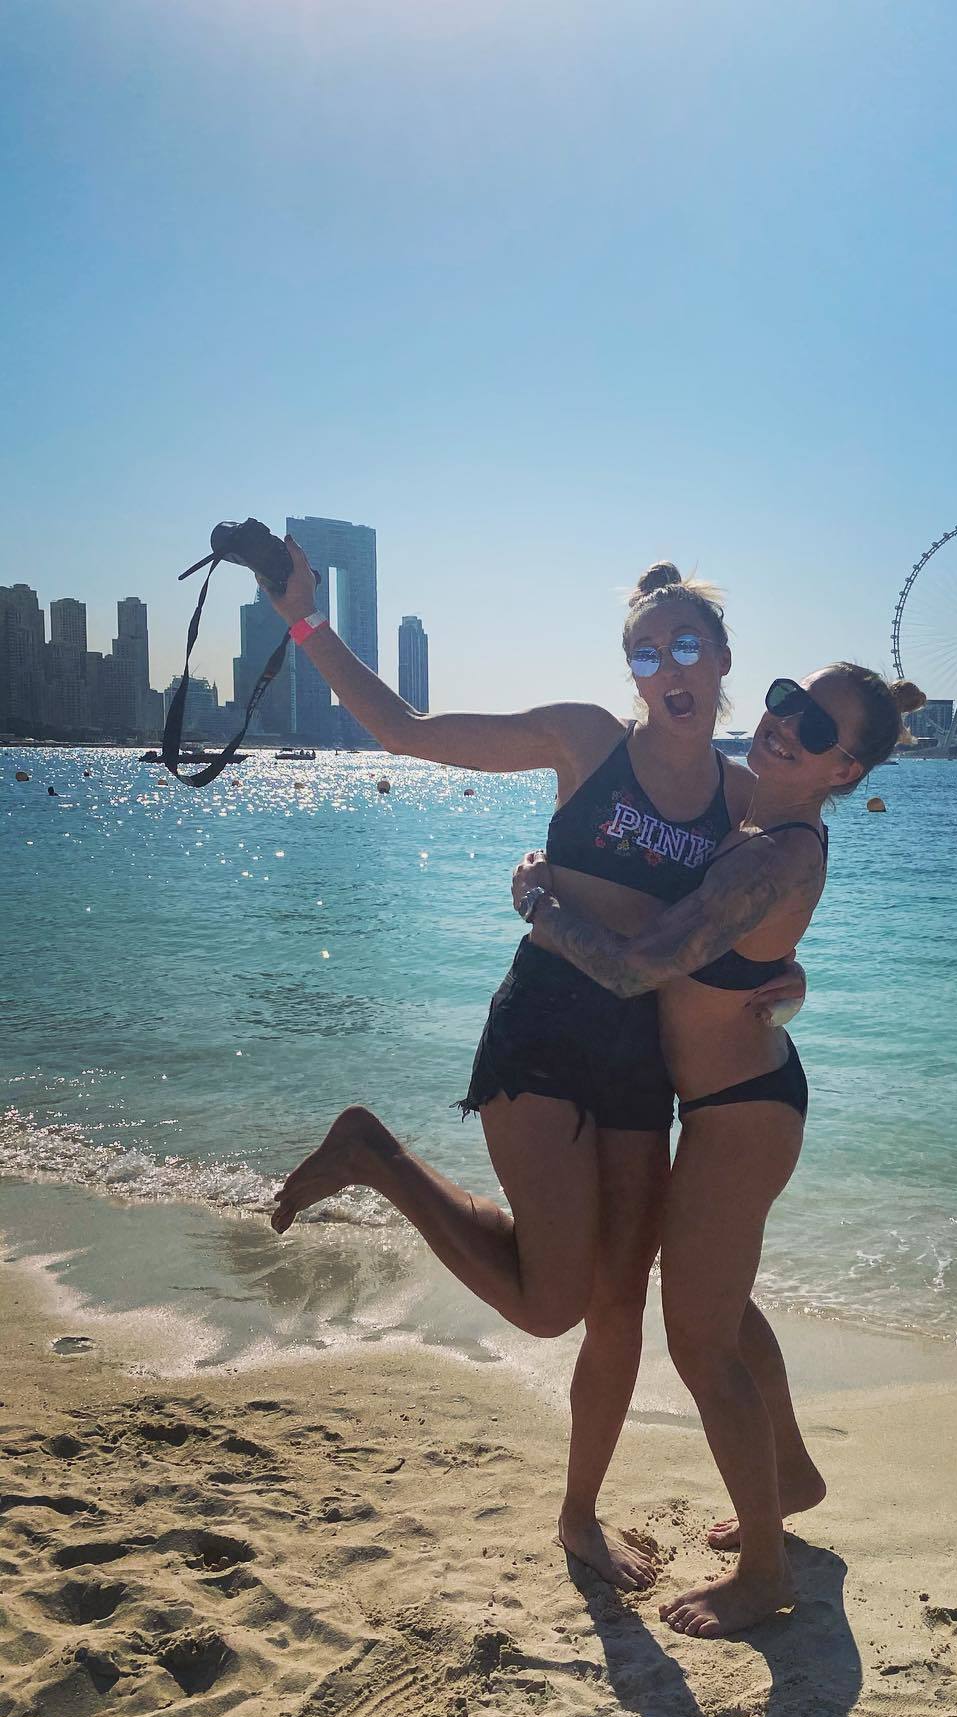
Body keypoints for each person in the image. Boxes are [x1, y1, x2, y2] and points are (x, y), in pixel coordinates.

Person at [262, 546, 805, 1590]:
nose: (667, 667)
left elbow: (771, 912)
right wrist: (305, 620)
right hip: (543, 1030)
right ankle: (375, 1157)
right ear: (630, 671)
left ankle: (578, 1515)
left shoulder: (742, 801)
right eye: (645, 653)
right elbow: (406, 732)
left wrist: (793, 982)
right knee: (552, 1302)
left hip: (643, 1057)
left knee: (619, 1305)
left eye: (686, 646)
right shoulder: (584, 740)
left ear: (723, 657)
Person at [509, 665, 925, 1635]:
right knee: (723, 1310)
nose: (784, 725)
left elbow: (635, 969)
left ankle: (765, 1572)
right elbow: (740, 946)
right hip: (736, 1101)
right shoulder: (753, 822)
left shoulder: (772, 853)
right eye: (787, 700)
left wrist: (539, 905)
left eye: (813, 727)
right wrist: (793, 974)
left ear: (843, 769)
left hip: (740, 1115)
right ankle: (794, 1477)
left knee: (700, 1342)